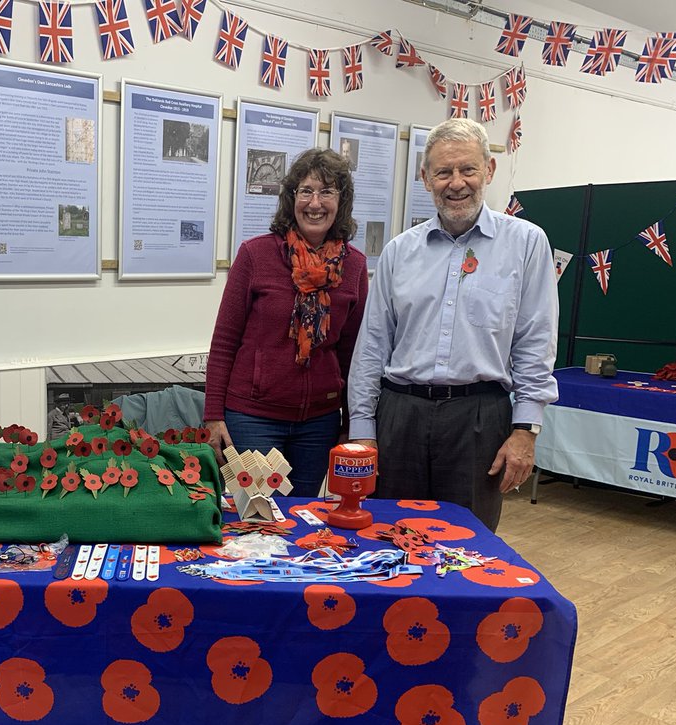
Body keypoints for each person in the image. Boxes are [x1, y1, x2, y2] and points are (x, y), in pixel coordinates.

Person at [346, 119, 558, 533]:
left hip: (479, 420)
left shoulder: (528, 244)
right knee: (389, 536)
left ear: (490, 171)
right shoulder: (398, 252)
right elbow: (372, 347)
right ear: (425, 178)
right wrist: (362, 430)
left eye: (468, 169)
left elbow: (536, 342)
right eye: (443, 172)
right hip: (399, 418)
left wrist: (525, 431)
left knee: (467, 545)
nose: (456, 183)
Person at [205, 148, 368, 499]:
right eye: (305, 191)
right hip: (252, 419)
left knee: (302, 519)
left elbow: (352, 356)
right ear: (291, 198)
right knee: (258, 516)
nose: (315, 202)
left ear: (342, 201)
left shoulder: (354, 267)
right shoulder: (255, 255)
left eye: (327, 192)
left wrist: (349, 424)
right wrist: (213, 416)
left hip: (320, 423)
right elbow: (223, 343)